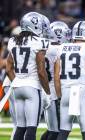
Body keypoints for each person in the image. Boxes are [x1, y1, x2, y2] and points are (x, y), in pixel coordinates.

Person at [6, 12, 50, 140]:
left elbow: (9, 69)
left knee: (20, 127)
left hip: (16, 87)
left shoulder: (13, 41)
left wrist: (19, 81)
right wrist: (47, 93)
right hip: (32, 87)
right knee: (31, 128)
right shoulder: (39, 42)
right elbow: (41, 71)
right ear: (34, 26)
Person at [56, 21, 85, 140]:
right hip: (81, 92)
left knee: (63, 130)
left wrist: (60, 96)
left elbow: (56, 77)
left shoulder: (62, 47)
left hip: (65, 91)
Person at [40, 20, 70, 140]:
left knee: (52, 129)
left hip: (42, 89)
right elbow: (58, 75)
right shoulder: (63, 50)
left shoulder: (43, 47)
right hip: (55, 91)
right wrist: (60, 95)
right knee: (57, 130)